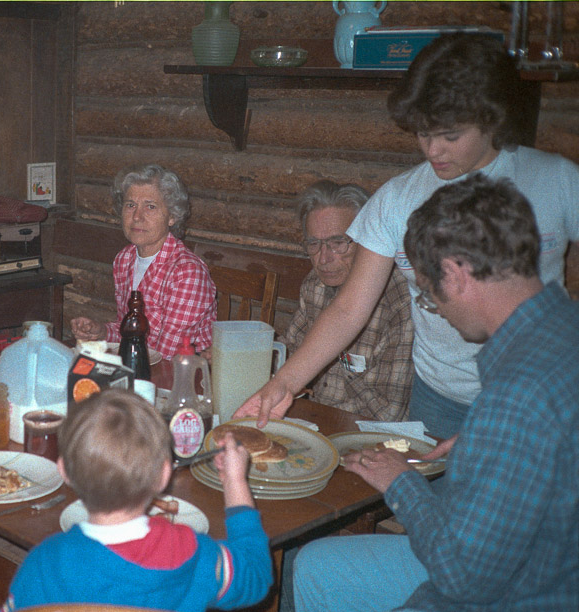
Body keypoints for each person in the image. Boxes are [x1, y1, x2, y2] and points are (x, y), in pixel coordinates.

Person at [269, 175, 579, 612]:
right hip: (519, 567)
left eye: (429, 294)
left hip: (515, 610)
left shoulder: (518, 391)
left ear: (455, 273)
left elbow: (462, 575)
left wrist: (402, 482)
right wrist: (479, 441)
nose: (434, 307)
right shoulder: (557, 330)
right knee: (313, 565)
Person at [235, 33, 579, 438]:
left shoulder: (555, 180)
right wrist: (284, 383)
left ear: (491, 118)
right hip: (438, 398)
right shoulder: (397, 198)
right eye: (422, 134)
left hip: (537, 395)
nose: (433, 150)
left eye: (450, 136)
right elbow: (349, 310)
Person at [0, 389, 273, 612]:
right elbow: (257, 575)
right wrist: (235, 482)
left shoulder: (46, 564)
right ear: (164, 475)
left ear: (64, 472)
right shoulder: (194, 554)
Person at [283, 180, 413, 421]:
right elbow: (291, 352)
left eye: (338, 243)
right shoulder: (315, 285)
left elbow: (388, 413)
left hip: (371, 436)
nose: (324, 259)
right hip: (318, 418)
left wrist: (334, 353)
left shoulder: (399, 301)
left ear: (368, 240)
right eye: (314, 244)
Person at [70, 165, 217, 359]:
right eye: (130, 205)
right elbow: (130, 333)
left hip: (186, 376)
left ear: (172, 216)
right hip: (143, 365)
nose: (137, 217)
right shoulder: (125, 259)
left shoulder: (187, 272)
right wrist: (102, 333)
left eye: (151, 206)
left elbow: (169, 354)